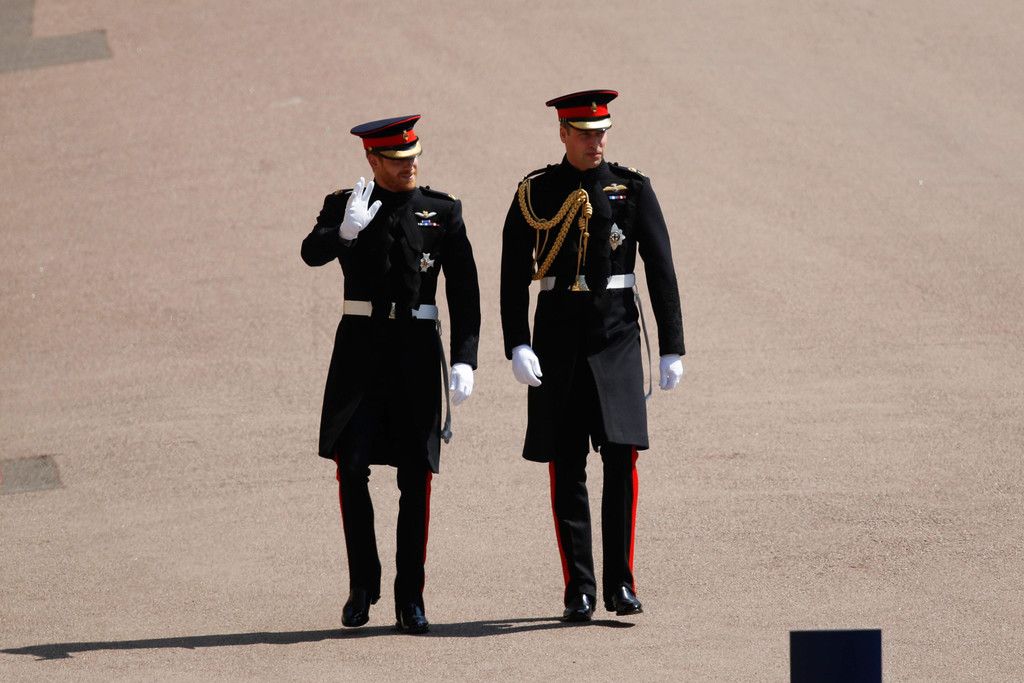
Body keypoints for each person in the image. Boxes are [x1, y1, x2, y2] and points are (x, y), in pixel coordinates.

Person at [500, 90, 685, 622]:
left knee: (622, 458)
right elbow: (512, 274)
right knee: (567, 463)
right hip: (557, 338)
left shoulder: (632, 188)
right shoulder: (536, 192)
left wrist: (672, 346)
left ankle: (620, 582)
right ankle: (578, 588)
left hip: (616, 334)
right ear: (563, 133)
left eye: (601, 132)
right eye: (584, 133)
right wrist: (517, 342)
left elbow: (661, 269)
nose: (595, 142)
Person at [301, 115, 480, 634]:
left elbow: (464, 289)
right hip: (360, 351)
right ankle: (362, 586)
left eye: (413, 157)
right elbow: (311, 253)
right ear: (372, 160)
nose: (409, 167)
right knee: (352, 466)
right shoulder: (346, 204)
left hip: (415, 352)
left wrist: (465, 357)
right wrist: (345, 231)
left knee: (415, 476)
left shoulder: (442, 210)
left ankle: (411, 597)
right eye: (398, 160)